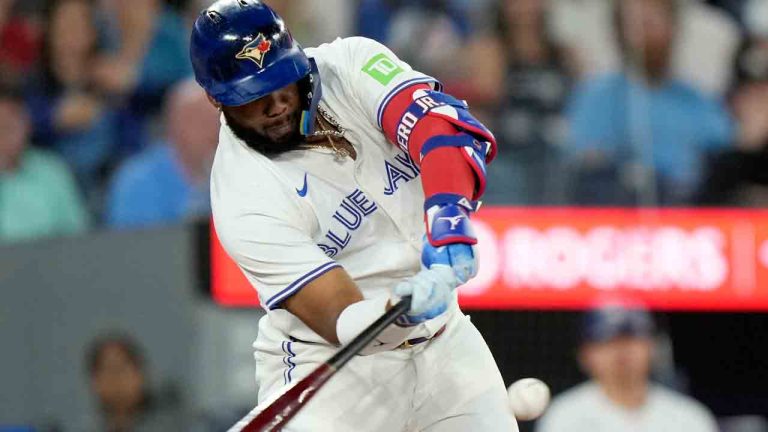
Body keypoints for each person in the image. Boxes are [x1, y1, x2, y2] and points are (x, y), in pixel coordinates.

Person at [189, 1, 516, 431]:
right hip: (331, 372)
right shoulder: (241, 194)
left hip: (445, 341)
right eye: (253, 96)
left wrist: (448, 215)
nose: (277, 105)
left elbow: (442, 129)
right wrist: (400, 309)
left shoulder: (350, 64)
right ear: (215, 98)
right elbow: (340, 317)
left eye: (282, 81)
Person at [565, 0, 734, 206]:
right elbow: (584, 161)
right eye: (636, 24)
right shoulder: (596, 96)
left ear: (673, 28)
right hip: (615, 213)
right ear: (618, 30)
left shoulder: (697, 101)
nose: (644, 35)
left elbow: (724, 155)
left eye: (652, 22)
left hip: (687, 214)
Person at [536, 303, 718, 432]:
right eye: (608, 341)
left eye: (631, 339)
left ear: (653, 346)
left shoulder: (689, 419)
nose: (621, 352)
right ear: (585, 354)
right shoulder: (564, 417)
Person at [26, 0, 118, 206]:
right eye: (65, 22)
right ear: (50, 29)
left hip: (104, 181)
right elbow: (20, 122)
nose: (72, 31)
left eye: (80, 22)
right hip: (51, 185)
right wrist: (52, 118)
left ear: (93, 31)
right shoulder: (33, 84)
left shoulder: (108, 81)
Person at [105, 79, 219, 229]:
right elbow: (130, 245)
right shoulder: (137, 181)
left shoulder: (233, 171)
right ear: (175, 125)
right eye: (202, 122)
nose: (213, 131)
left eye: (217, 121)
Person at [0, 86, 89, 243]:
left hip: (52, 263)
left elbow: (78, 236)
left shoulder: (52, 170)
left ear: (27, 124)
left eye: (11, 124)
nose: (5, 133)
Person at [82, 333, 182, 432]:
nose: (116, 380)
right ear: (94, 382)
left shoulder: (176, 423)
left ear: (140, 374)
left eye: (121, 369)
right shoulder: (92, 426)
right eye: (107, 370)